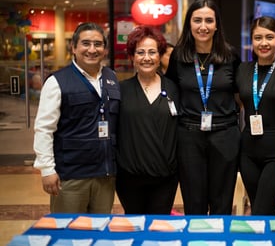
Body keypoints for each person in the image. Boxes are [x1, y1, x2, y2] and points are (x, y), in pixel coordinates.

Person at [33, 22, 120, 213]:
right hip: (71, 176)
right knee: (68, 234)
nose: (92, 49)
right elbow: (44, 128)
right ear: (73, 47)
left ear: (104, 50)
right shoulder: (57, 81)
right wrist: (47, 170)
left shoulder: (111, 77)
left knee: (100, 233)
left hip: (105, 176)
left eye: (98, 44)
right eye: (85, 43)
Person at [165, 0, 241, 215]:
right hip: (189, 136)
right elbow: (170, 93)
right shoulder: (179, 56)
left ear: (217, 25)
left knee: (222, 202)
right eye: (197, 20)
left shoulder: (230, 55)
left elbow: (239, 95)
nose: (203, 26)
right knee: (193, 202)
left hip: (225, 134)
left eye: (209, 20)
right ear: (189, 23)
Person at [116, 25, 179, 214]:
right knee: (134, 226)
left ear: (160, 57)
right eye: (140, 52)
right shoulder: (120, 90)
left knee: (158, 229)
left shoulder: (174, 89)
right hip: (129, 178)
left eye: (152, 52)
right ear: (132, 58)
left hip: (165, 178)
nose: (146, 57)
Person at [236, 16, 275, 215]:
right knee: (257, 207)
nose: (264, 43)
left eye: (270, 37)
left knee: (263, 212)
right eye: (258, 38)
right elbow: (238, 100)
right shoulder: (243, 70)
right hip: (248, 152)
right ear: (252, 41)